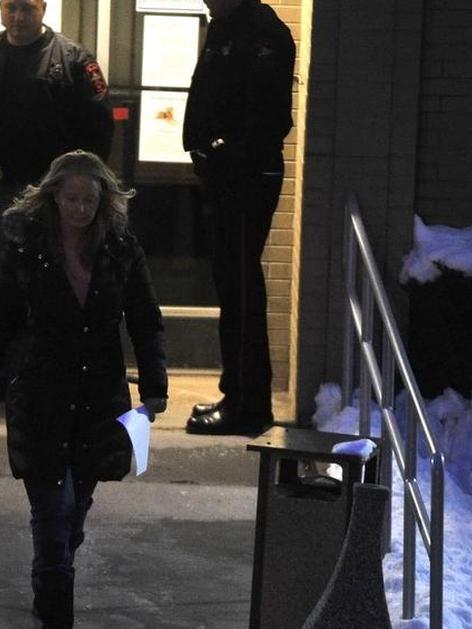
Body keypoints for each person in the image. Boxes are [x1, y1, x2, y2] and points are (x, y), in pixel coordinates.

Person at [0, 151, 167, 629]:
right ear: (53, 196)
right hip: (41, 391)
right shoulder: (27, 249)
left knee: (76, 510)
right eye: (72, 199)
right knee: (52, 509)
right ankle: (58, 619)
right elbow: (3, 321)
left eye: (89, 201)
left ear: (103, 202)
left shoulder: (120, 248)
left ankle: (50, 577)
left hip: (99, 394)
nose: (80, 209)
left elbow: (144, 317)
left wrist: (155, 386)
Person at [0, 0, 114, 313]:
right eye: (11, 8)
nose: (18, 17)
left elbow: (100, 126)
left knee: (55, 275)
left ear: (44, 9)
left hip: (54, 194)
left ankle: (50, 357)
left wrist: (84, 185)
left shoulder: (72, 59)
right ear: (0, 8)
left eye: (27, 9)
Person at [182, 0, 294, 436]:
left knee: (243, 289)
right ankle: (238, 393)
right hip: (228, 174)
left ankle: (249, 404)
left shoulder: (261, 31)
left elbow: (263, 115)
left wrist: (226, 151)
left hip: (245, 176)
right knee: (233, 286)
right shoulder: (229, 26)